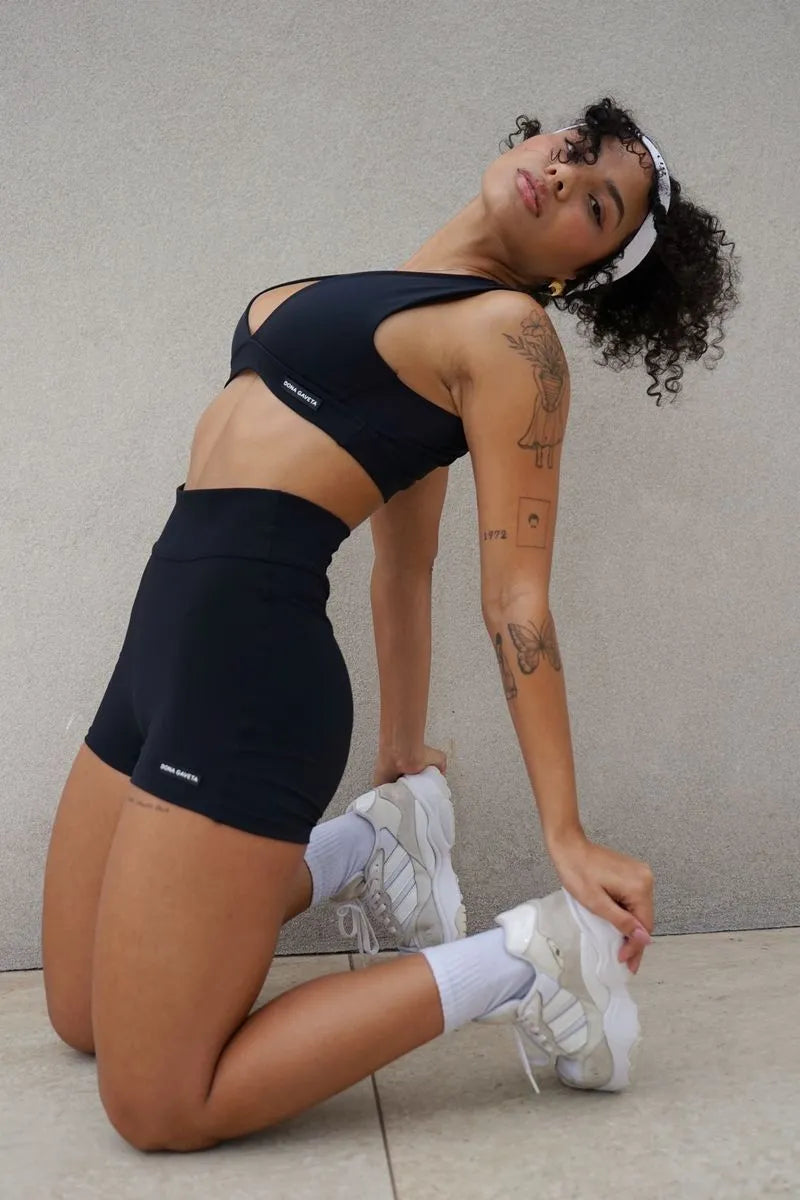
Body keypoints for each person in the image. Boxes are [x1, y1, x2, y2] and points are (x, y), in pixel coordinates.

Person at [40, 96, 739, 1151]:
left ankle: (532, 960)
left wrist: (563, 833)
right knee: (79, 1013)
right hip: (159, 652)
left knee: (157, 1104)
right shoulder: (398, 297)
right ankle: (371, 844)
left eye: (597, 207)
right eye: (574, 150)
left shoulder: (511, 338)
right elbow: (402, 565)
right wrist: (402, 755)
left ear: (579, 275)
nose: (563, 177)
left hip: (249, 688)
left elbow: (515, 599)